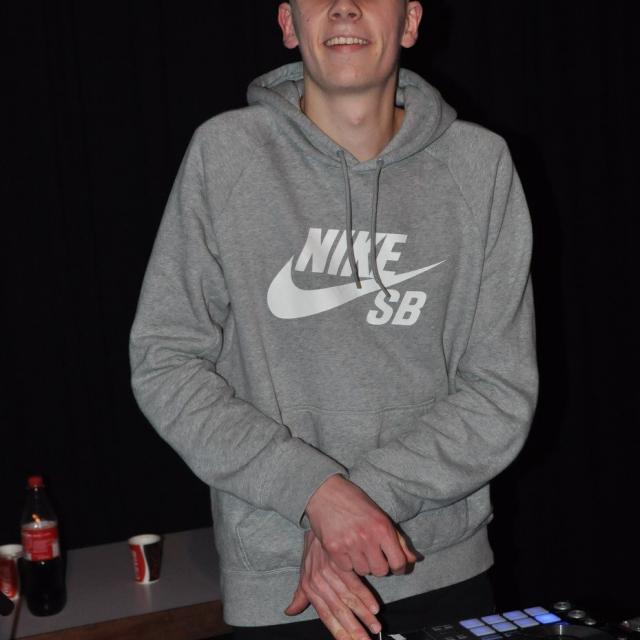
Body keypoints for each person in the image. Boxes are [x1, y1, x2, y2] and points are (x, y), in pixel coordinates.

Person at [129, 0, 538, 638]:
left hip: (441, 569)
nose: (344, 7)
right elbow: (165, 363)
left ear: (410, 22)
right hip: (284, 586)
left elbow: (501, 391)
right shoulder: (226, 153)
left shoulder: (479, 166)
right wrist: (315, 494)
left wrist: (364, 502)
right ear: (288, 23)